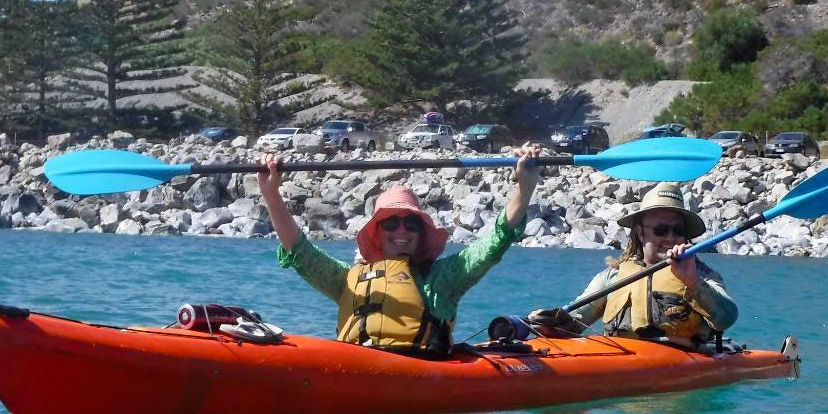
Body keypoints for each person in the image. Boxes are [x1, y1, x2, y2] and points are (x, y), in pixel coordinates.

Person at [259, 143, 542, 354]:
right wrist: (271, 193)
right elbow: (299, 251)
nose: (402, 231)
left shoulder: (442, 278)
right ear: (377, 233)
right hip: (355, 367)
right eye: (391, 223)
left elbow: (495, 240)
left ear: (421, 234)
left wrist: (524, 189)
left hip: (421, 372)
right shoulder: (346, 279)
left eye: (411, 224)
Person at [528, 183, 737, 347]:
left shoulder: (702, 275)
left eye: (678, 231)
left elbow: (727, 318)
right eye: (661, 230)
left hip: (682, 366)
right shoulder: (612, 277)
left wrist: (692, 282)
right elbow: (575, 320)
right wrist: (547, 321)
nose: (671, 237)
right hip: (622, 361)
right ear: (640, 232)